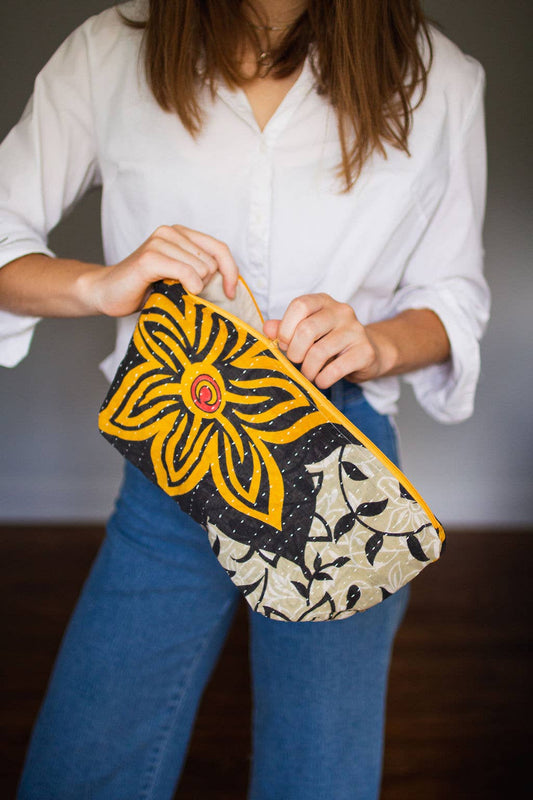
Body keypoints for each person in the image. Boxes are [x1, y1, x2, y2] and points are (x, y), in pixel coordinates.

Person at [0, 1, 489, 798]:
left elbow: (454, 296)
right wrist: (100, 283)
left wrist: (376, 341)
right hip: (174, 451)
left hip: (338, 461)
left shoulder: (440, 77)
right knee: (83, 768)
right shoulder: (111, 47)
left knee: (319, 776)